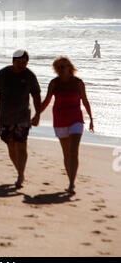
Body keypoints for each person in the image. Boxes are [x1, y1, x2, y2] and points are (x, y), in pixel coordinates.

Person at [0, 49, 41, 189]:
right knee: (11, 145)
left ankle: (20, 174)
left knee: (21, 145)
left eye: (25, 62)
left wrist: (38, 114)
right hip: (4, 117)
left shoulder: (29, 76)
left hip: (23, 117)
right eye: (19, 62)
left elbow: (36, 95)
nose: (22, 65)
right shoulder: (3, 74)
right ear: (13, 61)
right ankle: (19, 171)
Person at [40, 56, 94, 195]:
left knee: (73, 151)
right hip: (59, 120)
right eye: (59, 67)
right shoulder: (54, 83)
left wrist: (91, 119)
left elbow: (85, 101)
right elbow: (46, 101)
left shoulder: (78, 83)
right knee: (66, 153)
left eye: (64, 66)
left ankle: (71, 184)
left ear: (70, 67)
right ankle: (70, 179)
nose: (62, 69)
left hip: (76, 119)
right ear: (56, 69)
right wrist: (36, 115)